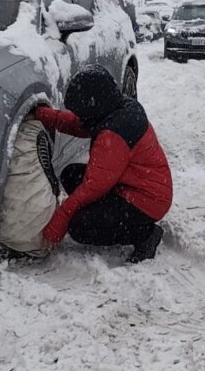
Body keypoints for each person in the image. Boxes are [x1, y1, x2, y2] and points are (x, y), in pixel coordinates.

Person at [29, 65, 172, 263]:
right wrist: (42, 114)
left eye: (81, 111)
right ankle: (113, 216)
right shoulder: (117, 108)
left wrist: (59, 222)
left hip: (145, 201)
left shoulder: (113, 136)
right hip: (130, 184)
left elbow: (92, 187)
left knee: (80, 228)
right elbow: (77, 123)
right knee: (71, 175)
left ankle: (145, 234)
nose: (80, 116)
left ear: (94, 106)